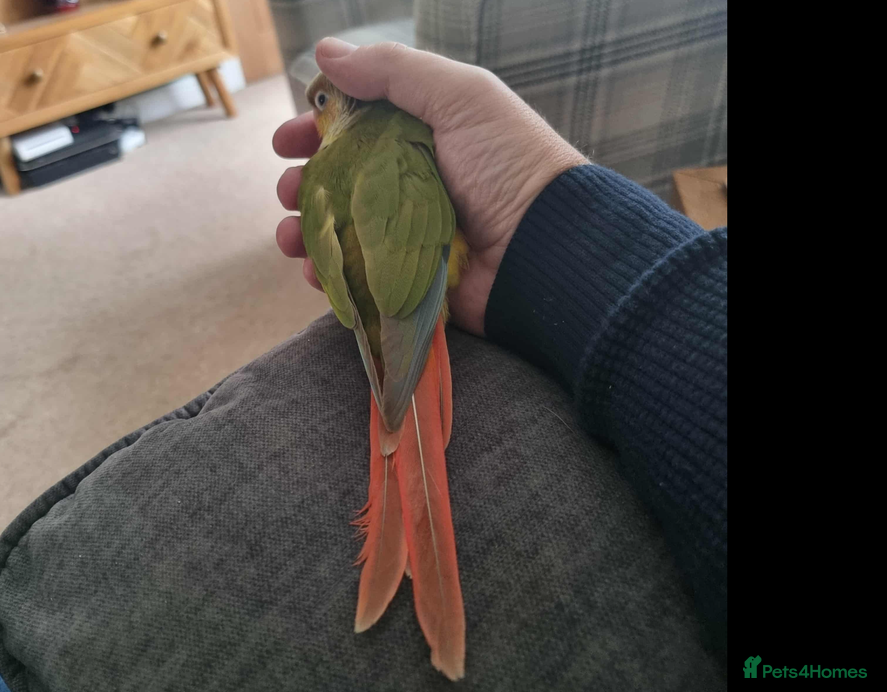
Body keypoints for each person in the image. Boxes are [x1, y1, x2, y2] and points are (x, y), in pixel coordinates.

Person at [272, 38, 728, 661]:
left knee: (400, 421)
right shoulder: (398, 140)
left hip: (391, 301)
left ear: (337, 102)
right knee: (407, 423)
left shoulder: (329, 172)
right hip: (413, 290)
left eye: (320, 102)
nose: (318, 115)